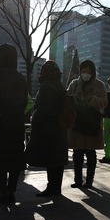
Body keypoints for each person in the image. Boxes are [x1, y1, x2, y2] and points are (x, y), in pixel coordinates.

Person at [0, 44, 29, 205]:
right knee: (14, 158)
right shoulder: (20, 77)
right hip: (15, 124)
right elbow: (24, 102)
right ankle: (11, 191)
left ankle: (2, 192)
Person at [26, 61, 68, 197]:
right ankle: (57, 187)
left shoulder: (46, 86)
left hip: (48, 128)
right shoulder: (60, 86)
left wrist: (35, 121)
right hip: (61, 127)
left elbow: (43, 109)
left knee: (50, 159)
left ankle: (51, 187)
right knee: (58, 159)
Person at [67, 59, 107, 188]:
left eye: (88, 72)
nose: (85, 74)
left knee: (91, 153)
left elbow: (104, 102)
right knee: (77, 154)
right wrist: (76, 97)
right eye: (83, 72)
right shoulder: (74, 83)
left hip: (92, 123)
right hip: (77, 122)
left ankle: (89, 181)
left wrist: (91, 99)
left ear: (93, 72)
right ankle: (77, 180)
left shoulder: (99, 85)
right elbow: (67, 99)